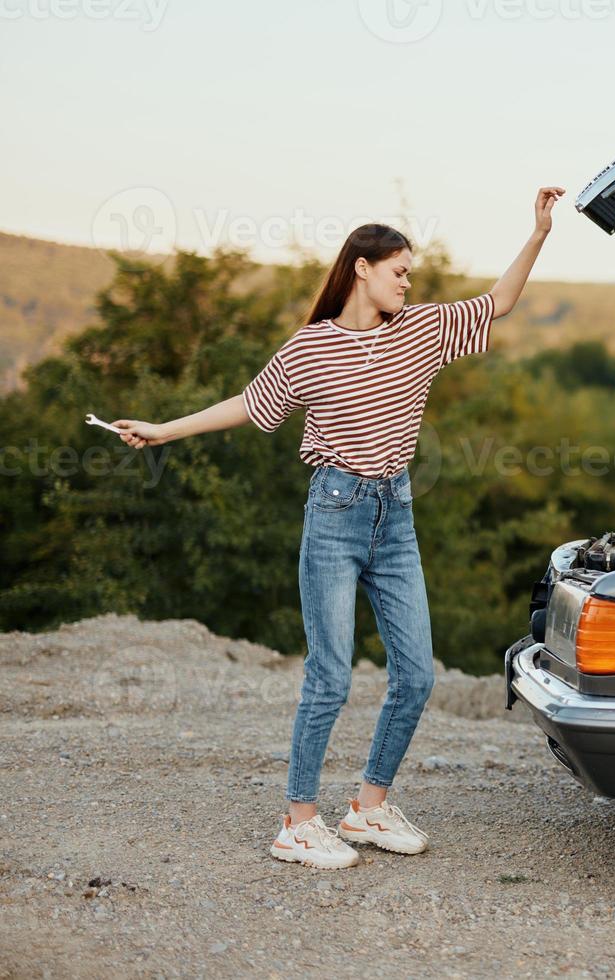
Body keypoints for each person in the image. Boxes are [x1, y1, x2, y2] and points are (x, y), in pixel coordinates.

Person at [110, 186, 565, 869]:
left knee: (415, 675)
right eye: (398, 270)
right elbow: (249, 404)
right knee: (330, 677)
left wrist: (537, 233)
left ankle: (367, 809)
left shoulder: (421, 330)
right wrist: (163, 429)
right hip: (334, 514)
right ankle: (296, 823)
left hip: (396, 516)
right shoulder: (309, 349)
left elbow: (497, 302)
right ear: (361, 267)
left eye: (410, 272)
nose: (408, 281)